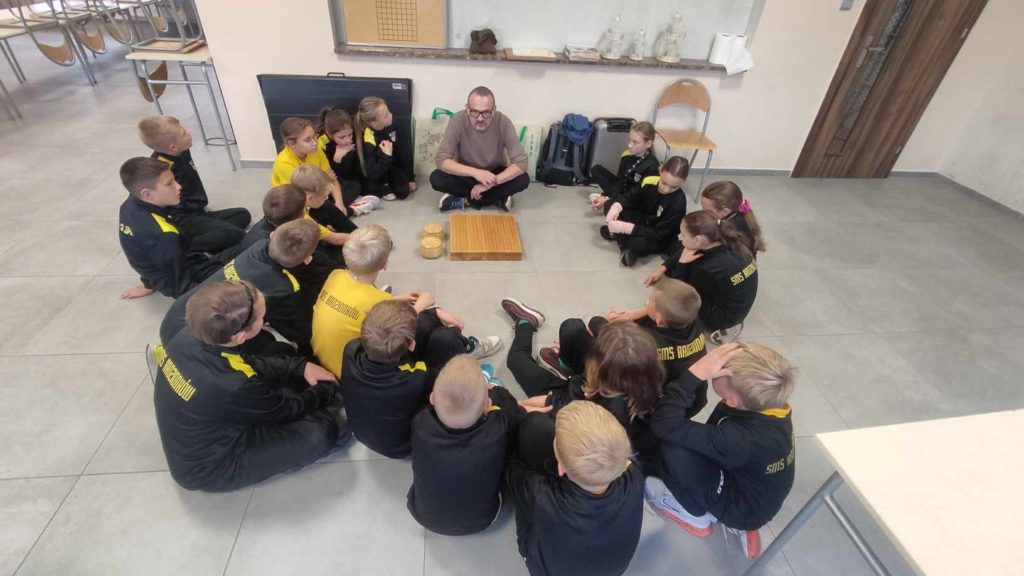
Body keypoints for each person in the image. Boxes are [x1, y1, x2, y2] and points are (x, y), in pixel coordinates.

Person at [153, 280, 347, 492]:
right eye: (262, 317)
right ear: (240, 335)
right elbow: (285, 411)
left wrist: (301, 366)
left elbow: (245, 362)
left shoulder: (189, 335)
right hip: (213, 466)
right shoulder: (233, 384)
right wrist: (322, 391)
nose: (265, 319)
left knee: (278, 353)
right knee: (320, 432)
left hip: (212, 421)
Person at [645, 342, 797, 560]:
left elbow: (663, 425)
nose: (712, 367)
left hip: (744, 509)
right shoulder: (772, 404)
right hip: (757, 491)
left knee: (671, 451)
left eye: (717, 369)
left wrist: (694, 375)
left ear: (732, 399)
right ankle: (738, 518)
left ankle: (696, 516)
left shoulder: (739, 438)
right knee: (690, 444)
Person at [311, 225, 501, 377]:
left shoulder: (335, 276)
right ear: (384, 264)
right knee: (432, 325)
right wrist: (423, 304)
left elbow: (364, 305)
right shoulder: (379, 301)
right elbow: (397, 325)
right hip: (361, 371)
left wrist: (395, 300)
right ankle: (463, 347)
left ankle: (457, 341)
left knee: (427, 319)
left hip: (331, 364)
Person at [506, 401, 644, 576]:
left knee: (532, 435)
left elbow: (512, 472)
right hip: (612, 570)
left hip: (545, 570)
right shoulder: (635, 476)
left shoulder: (542, 495)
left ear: (560, 468)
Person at [539, 278, 708, 417]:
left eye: (650, 300)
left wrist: (605, 322)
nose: (646, 302)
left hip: (631, 400)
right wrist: (634, 314)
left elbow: (609, 336)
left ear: (659, 319)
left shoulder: (648, 344)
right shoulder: (691, 321)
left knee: (572, 329)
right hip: (680, 404)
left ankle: (566, 367)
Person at [159, 219, 321, 357]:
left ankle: (167, 353)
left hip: (176, 318)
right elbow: (295, 330)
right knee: (276, 348)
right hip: (199, 344)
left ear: (272, 235)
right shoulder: (282, 287)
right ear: (307, 258)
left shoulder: (259, 245)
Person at [407, 354, 527, 535]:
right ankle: (489, 383)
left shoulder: (420, 423)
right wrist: (496, 391)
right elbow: (512, 407)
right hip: (481, 521)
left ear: (432, 399)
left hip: (422, 514)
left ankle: (481, 384)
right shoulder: (498, 427)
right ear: (487, 405)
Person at [339, 299, 470, 458]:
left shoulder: (351, 349)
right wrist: (456, 336)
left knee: (430, 329)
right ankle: (464, 344)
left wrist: (433, 313)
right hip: (402, 446)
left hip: (364, 432)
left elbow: (391, 332)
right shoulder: (415, 379)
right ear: (411, 345)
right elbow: (446, 379)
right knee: (447, 338)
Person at [117, 157, 231, 300]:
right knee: (248, 256)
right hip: (191, 270)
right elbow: (182, 288)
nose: (178, 186)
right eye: (169, 183)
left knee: (234, 235)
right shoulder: (164, 235)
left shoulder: (130, 205)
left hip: (178, 256)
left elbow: (139, 251)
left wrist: (148, 283)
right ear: (147, 194)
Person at [139, 116, 251, 253]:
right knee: (237, 236)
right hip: (183, 218)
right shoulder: (162, 170)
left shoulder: (182, 150)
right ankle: (191, 246)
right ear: (173, 147)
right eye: (184, 133)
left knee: (242, 215)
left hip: (198, 212)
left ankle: (212, 233)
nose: (189, 133)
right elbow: (169, 206)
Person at [645, 210, 758, 344]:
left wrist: (681, 266)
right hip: (740, 305)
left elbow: (679, 295)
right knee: (685, 261)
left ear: (698, 240)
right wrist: (663, 268)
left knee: (679, 306)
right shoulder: (731, 241)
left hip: (722, 316)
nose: (680, 237)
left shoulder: (707, 267)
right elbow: (687, 250)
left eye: (683, 235)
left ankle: (728, 326)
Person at [431, 86, 530, 212]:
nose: (480, 118)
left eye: (486, 113)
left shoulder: (503, 123)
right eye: (475, 112)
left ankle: (466, 200)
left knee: (523, 179)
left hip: (493, 175)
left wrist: (491, 183)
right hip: (466, 173)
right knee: (436, 178)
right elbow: (441, 160)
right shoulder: (457, 121)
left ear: (494, 110)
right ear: (467, 108)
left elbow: (521, 162)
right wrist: (476, 173)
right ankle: (497, 198)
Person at [597, 156, 689, 267]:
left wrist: (627, 228)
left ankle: (620, 240)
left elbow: (659, 233)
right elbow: (631, 196)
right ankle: (625, 244)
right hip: (643, 219)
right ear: (660, 170)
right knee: (609, 204)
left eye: (673, 187)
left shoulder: (678, 202)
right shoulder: (650, 180)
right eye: (664, 183)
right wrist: (618, 206)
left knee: (640, 245)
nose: (666, 189)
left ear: (682, 183)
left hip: (657, 234)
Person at [271, 117, 347, 210]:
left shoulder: (315, 150)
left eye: (315, 136)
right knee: (323, 208)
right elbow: (301, 196)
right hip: (300, 200)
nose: (315, 143)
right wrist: (324, 180)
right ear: (292, 144)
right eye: (307, 140)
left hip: (319, 190)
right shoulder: (284, 163)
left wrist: (339, 204)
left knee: (353, 186)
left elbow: (331, 179)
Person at [352, 96, 416, 201]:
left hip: (389, 166)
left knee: (403, 192)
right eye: (386, 115)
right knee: (367, 187)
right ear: (374, 123)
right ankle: (383, 187)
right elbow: (372, 173)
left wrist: (410, 177)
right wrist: (386, 156)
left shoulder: (393, 124)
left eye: (388, 111)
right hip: (376, 172)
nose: (391, 115)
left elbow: (403, 152)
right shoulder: (368, 139)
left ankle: (387, 185)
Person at [316, 106, 377, 215]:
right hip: (330, 182)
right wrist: (336, 160)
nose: (348, 139)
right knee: (353, 187)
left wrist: (349, 155)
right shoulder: (322, 143)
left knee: (364, 186)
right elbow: (329, 176)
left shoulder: (355, 136)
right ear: (329, 134)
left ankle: (342, 207)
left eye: (350, 135)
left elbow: (354, 171)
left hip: (347, 180)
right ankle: (344, 209)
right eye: (342, 137)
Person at [588, 120, 660, 200]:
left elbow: (638, 194)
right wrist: (610, 196)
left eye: (635, 142)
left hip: (633, 198)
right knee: (596, 169)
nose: (629, 145)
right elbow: (619, 180)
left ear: (648, 144)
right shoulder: (627, 155)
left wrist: (610, 200)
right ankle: (610, 197)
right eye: (629, 140)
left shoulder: (652, 166)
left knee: (610, 204)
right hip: (622, 190)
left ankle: (610, 199)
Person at [290, 165, 357, 245]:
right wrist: (360, 238)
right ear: (310, 198)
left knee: (327, 207)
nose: (326, 198)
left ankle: (356, 231)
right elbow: (335, 239)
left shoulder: (300, 201)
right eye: (324, 196)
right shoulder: (303, 219)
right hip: (304, 246)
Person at [700, 181, 766, 256]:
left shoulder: (729, 231)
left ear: (725, 211)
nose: (702, 212)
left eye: (706, 210)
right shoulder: (737, 214)